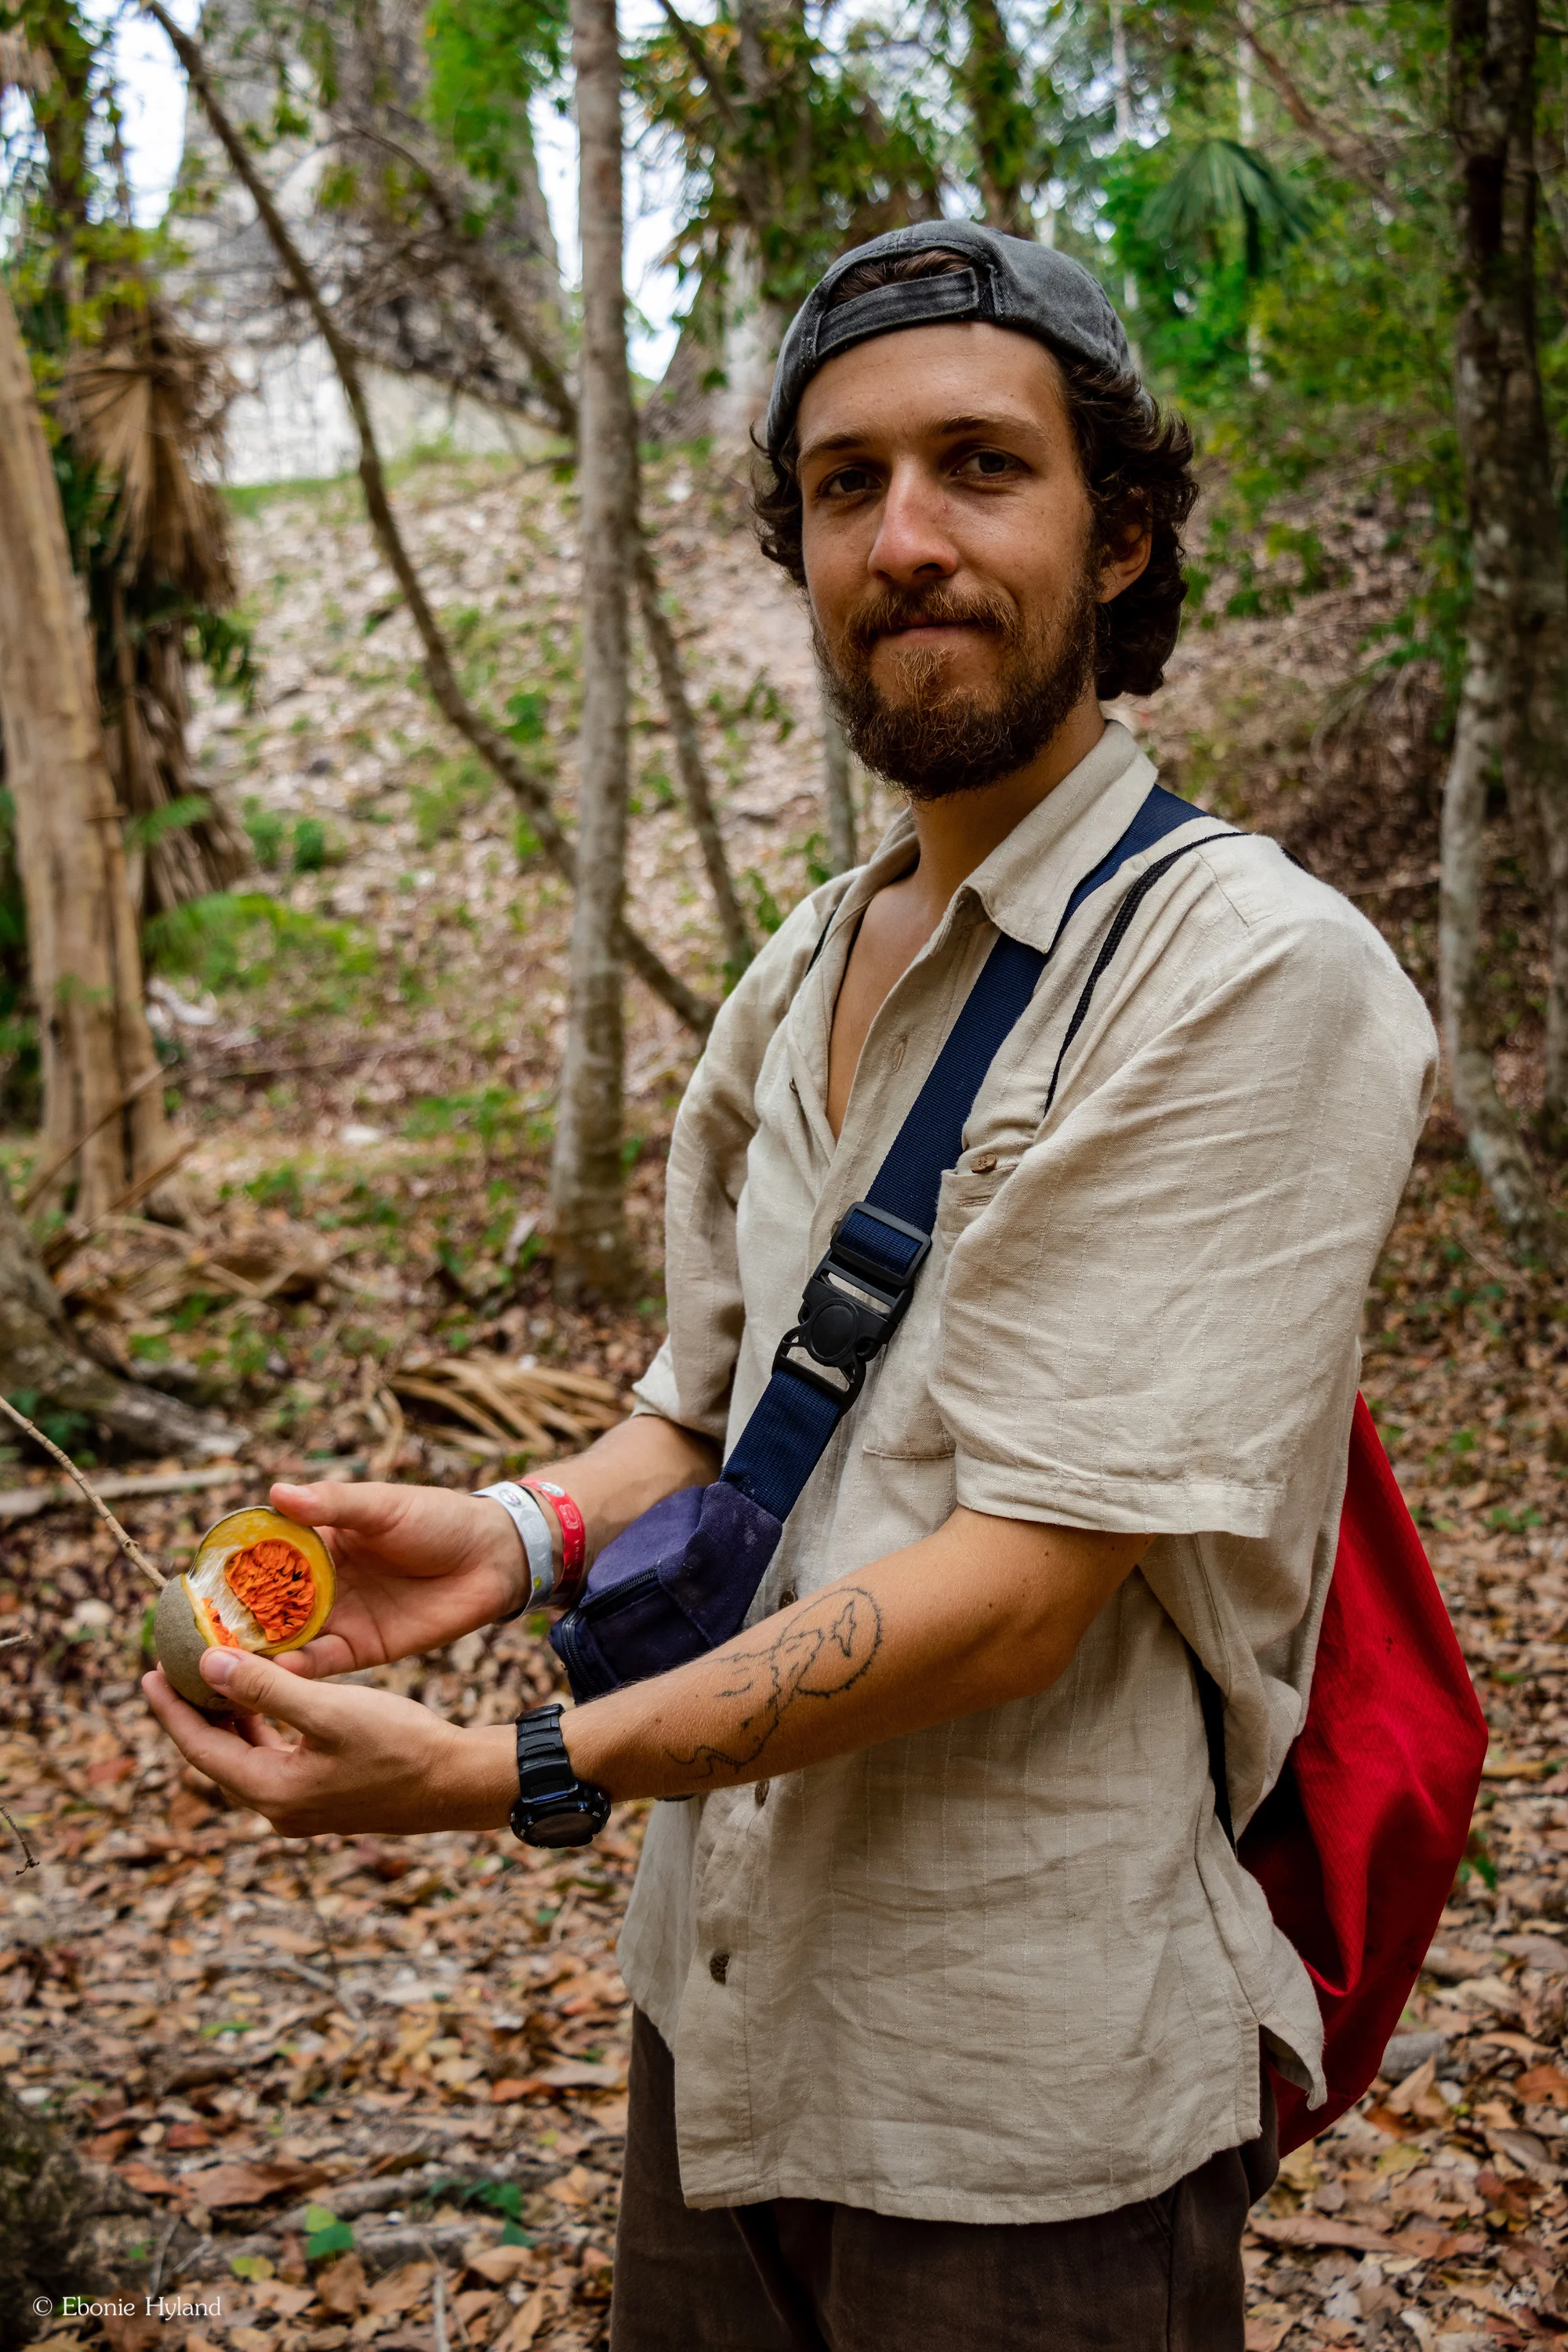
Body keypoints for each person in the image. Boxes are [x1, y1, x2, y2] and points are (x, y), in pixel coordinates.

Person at [146, 223, 1438, 2351]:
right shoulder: (800, 965)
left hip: (1021, 2108)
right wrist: (505, 1537)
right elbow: (709, 1417)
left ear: (1119, 536)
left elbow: (1024, 1585)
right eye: (848, 486)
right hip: (720, 2034)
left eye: (977, 469)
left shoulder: (1254, 976)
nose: (906, 538)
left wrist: (511, 1772)